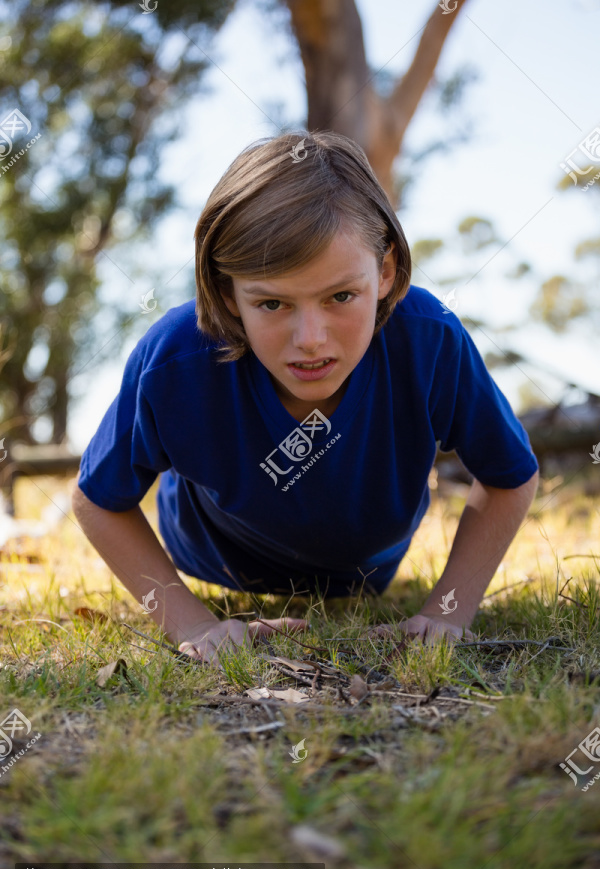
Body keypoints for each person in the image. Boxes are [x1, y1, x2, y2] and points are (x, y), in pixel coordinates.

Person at [72, 130, 539, 668]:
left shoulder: (429, 338)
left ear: (385, 271)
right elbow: (97, 500)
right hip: (212, 556)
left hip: (366, 574)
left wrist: (448, 611)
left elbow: (510, 476)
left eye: (340, 296)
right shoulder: (175, 359)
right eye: (272, 303)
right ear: (228, 293)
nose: (311, 338)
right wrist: (192, 622)